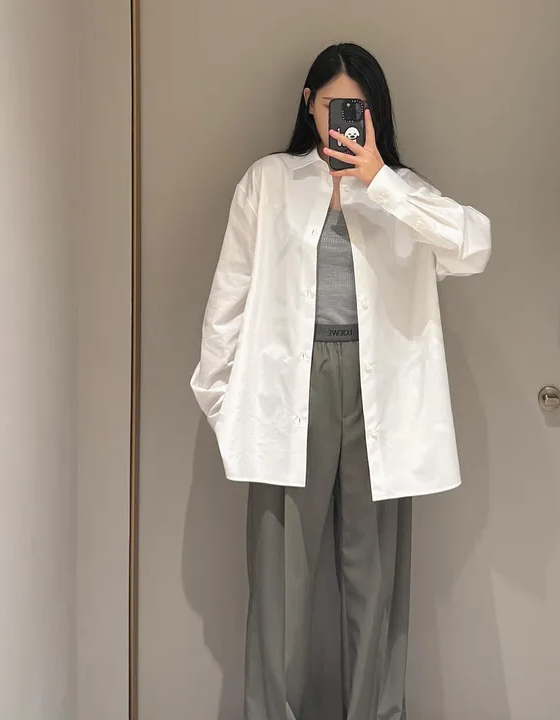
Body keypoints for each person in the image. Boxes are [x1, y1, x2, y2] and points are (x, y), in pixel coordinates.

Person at [190, 42, 491, 720]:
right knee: (281, 586)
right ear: (309, 104)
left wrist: (381, 180)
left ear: (376, 113)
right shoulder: (268, 181)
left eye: (359, 107)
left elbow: (474, 246)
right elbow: (228, 299)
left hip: (377, 394)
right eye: (334, 105)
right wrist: (225, 406)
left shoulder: (402, 191)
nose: (344, 120)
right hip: (285, 392)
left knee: (372, 579)